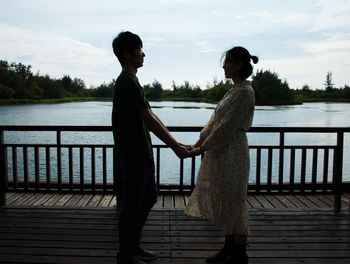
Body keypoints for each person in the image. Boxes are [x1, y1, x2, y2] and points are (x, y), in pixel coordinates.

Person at [111, 31, 190, 264]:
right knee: (131, 203)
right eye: (139, 50)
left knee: (149, 197)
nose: (143, 54)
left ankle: (133, 246)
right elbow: (149, 118)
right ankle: (125, 254)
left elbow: (151, 115)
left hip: (142, 153)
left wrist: (176, 141)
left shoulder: (133, 81)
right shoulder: (125, 81)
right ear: (127, 54)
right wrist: (175, 147)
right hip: (133, 153)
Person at [185, 46, 258, 264]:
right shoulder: (234, 89)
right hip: (222, 152)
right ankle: (229, 248)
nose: (224, 66)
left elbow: (226, 127)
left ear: (238, 64)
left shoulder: (245, 91)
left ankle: (239, 252)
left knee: (235, 200)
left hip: (233, 151)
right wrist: (198, 142)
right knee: (228, 200)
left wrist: (201, 148)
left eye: (227, 62)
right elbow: (214, 121)